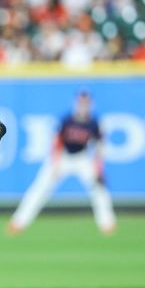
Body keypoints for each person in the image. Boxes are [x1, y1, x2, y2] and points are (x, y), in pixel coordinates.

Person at [8, 90, 117, 236]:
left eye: (86, 103)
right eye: (81, 102)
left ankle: (107, 223)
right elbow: (57, 142)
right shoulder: (67, 120)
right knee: (40, 188)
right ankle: (18, 222)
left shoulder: (94, 123)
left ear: (90, 104)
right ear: (76, 103)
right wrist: (55, 163)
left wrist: (99, 168)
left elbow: (100, 147)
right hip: (62, 156)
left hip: (82, 158)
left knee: (99, 188)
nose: (83, 105)